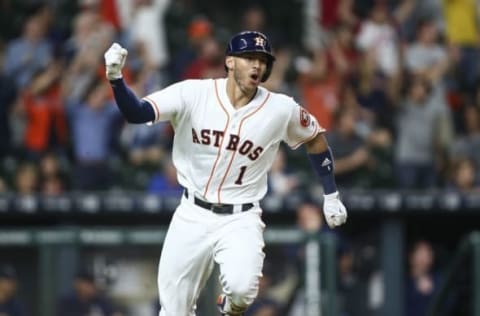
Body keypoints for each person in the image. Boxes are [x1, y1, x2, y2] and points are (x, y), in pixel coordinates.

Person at [104, 30, 348, 316]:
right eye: (248, 58)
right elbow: (138, 113)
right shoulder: (194, 93)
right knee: (174, 311)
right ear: (230, 62)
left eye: (262, 60)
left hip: (240, 217)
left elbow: (315, 137)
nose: (257, 65)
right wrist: (116, 79)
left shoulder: (280, 109)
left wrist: (330, 193)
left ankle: (229, 308)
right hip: (191, 213)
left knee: (243, 290)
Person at [56, 270, 123, 316]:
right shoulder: (68, 301)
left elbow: (113, 311)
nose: (89, 288)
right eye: (86, 284)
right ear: (77, 284)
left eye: (91, 285)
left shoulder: (99, 299)